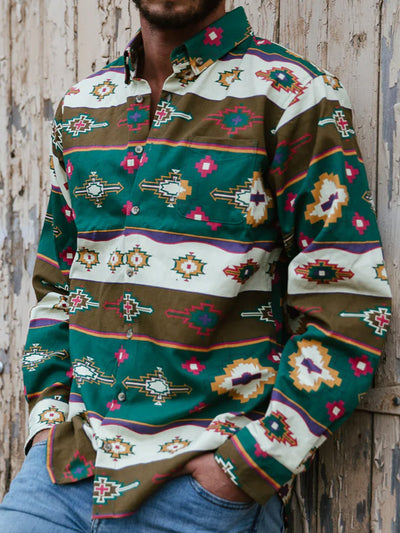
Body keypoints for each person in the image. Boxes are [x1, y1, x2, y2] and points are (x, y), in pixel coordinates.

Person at [0, 1, 392, 531]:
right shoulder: (83, 107)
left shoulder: (292, 96)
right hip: (63, 474)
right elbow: (56, 284)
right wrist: (47, 426)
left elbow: (349, 302)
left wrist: (248, 465)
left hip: (199, 496)